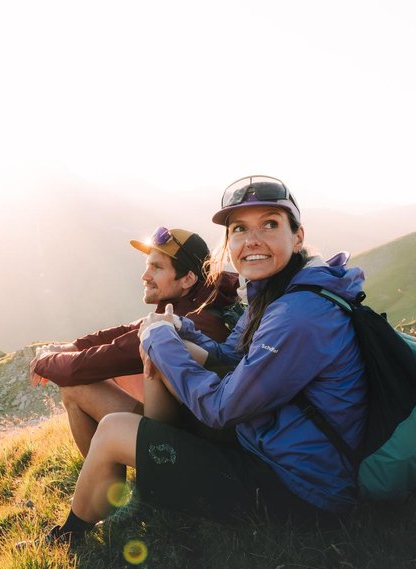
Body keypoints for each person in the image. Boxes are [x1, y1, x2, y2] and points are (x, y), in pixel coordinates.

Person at [47, 175, 368, 542]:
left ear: (297, 236)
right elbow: (230, 355)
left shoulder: (297, 316)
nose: (252, 240)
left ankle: (68, 537)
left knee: (113, 431)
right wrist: (178, 330)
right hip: (272, 447)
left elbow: (222, 409)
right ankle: (129, 483)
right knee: (162, 351)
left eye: (269, 224)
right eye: (239, 229)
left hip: (301, 491)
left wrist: (160, 342)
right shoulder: (278, 292)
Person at [30, 227, 240, 457]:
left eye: (157, 267)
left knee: (75, 386)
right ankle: (101, 478)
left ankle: (103, 485)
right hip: (188, 426)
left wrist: (44, 360)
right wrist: (73, 346)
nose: (145, 275)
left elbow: (86, 366)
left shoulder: (193, 321)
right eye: (147, 265)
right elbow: (128, 330)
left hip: (193, 449)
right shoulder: (199, 302)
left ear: (188, 278)